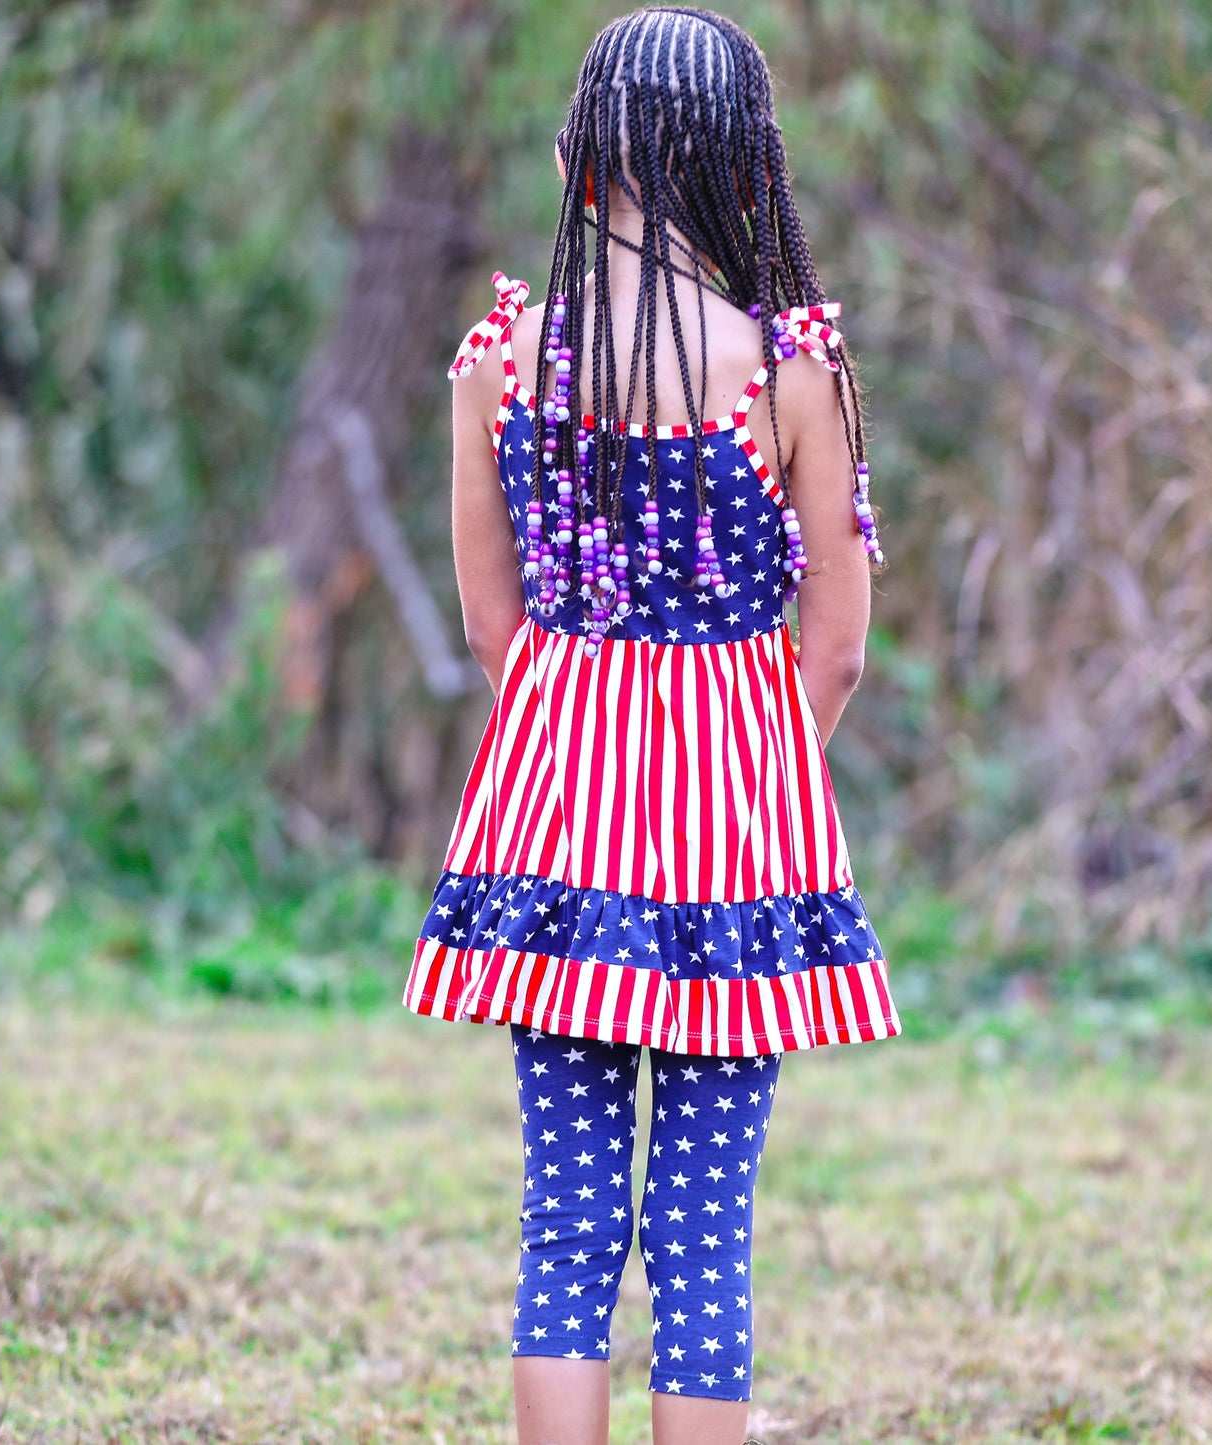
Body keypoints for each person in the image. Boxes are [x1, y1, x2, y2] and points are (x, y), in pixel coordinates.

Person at [403, 9, 900, 1443]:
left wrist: (585, 736)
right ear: (748, 167)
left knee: (562, 1213)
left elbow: (494, 625)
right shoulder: (790, 368)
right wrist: (748, 760)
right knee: (703, 1228)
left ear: (577, 158)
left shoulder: (503, 356)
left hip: (553, 808)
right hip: (736, 822)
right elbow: (841, 642)